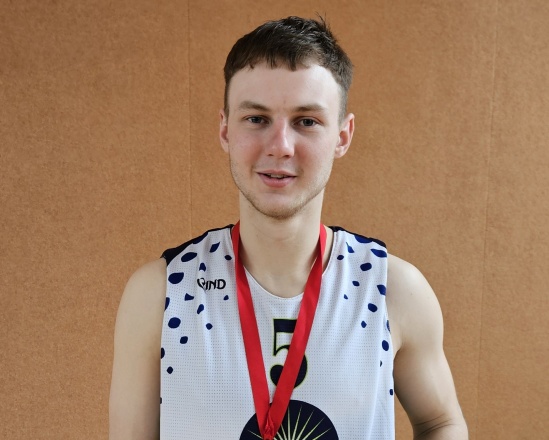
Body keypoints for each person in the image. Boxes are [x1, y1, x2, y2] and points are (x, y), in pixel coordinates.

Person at [109, 16, 468, 440]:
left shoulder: (393, 290)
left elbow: (441, 422)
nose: (280, 146)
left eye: (306, 121)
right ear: (225, 130)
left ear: (342, 136)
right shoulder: (159, 294)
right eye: (256, 119)